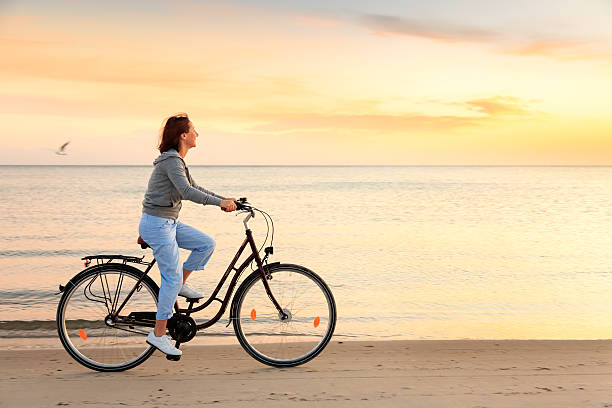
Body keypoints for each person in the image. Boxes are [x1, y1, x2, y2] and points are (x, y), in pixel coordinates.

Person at [139, 113, 237, 357]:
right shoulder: (171, 161)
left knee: (205, 244)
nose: (197, 134)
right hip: (158, 225)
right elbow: (186, 192)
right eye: (194, 130)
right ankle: (158, 334)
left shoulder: (177, 161)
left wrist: (224, 200)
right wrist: (219, 203)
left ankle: (180, 284)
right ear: (183, 135)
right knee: (169, 280)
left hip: (167, 223)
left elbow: (195, 187)